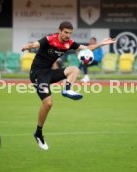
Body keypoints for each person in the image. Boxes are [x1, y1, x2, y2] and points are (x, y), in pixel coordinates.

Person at [21, 21, 115, 150]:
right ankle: (38, 133)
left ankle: (67, 90)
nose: (68, 35)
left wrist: (102, 44)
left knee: (74, 70)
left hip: (49, 72)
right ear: (59, 30)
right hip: (37, 74)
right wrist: (27, 46)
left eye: (70, 33)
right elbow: (35, 44)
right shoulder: (49, 39)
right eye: (65, 32)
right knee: (48, 104)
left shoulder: (69, 43)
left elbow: (86, 48)